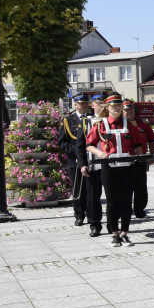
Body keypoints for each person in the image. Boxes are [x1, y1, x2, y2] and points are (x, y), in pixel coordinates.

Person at [84, 94, 148, 247]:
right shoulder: (101, 124)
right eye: (113, 106)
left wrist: (139, 160)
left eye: (119, 106)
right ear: (107, 107)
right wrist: (99, 153)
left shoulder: (130, 124)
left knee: (126, 201)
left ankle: (125, 233)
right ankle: (114, 234)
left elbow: (138, 144)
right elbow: (89, 144)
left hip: (128, 167)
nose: (117, 109)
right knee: (112, 202)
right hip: (109, 168)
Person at [57, 93, 90, 227]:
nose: (83, 105)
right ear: (75, 105)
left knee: (92, 190)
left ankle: (93, 215)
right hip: (75, 159)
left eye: (85, 103)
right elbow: (62, 142)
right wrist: (76, 151)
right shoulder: (68, 120)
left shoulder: (93, 118)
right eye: (81, 103)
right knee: (78, 190)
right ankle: (79, 215)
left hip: (92, 158)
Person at [77, 93, 106, 237]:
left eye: (103, 102)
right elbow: (80, 146)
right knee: (93, 197)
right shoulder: (85, 122)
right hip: (92, 165)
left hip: (110, 164)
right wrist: (82, 164)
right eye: (98, 103)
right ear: (92, 105)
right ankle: (95, 224)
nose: (101, 105)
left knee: (114, 197)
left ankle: (115, 224)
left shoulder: (111, 121)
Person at [124, 99, 154, 219]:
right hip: (126, 160)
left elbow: (151, 140)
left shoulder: (142, 123)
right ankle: (127, 210)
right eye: (126, 110)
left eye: (131, 109)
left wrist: (152, 156)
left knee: (141, 186)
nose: (129, 112)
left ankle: (140, 210)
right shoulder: (121, 124)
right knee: (126, 187)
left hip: (141, 159)